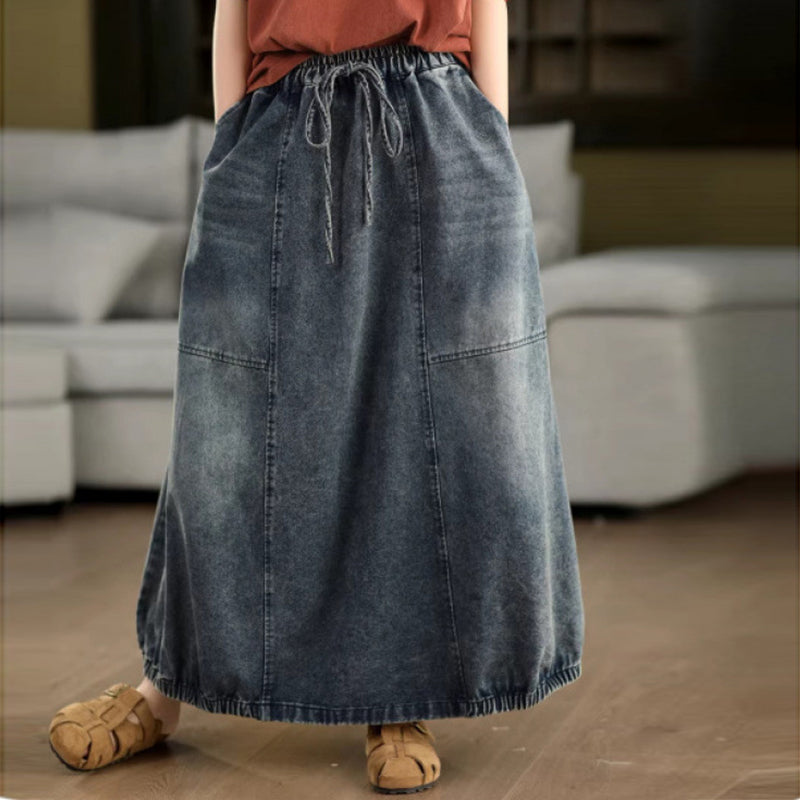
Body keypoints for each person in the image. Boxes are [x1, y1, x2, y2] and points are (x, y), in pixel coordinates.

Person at [47, 0, 585, 793]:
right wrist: (233, 138)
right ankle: (165, 689)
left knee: (429, 423)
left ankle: (401, 699)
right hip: (278, 128)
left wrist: (488, 142)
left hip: (439, 124)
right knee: (223, 425)